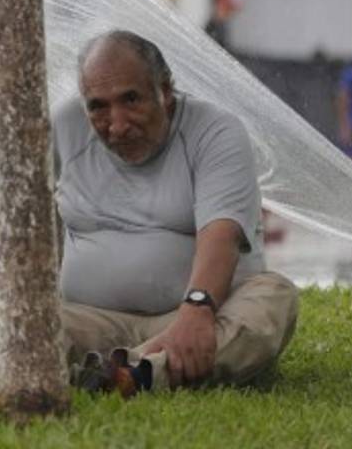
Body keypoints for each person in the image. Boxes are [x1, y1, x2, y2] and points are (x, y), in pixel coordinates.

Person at [47, 30, 298, 395]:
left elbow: (222, 234)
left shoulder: (215, 131)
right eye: (98, 107)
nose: (116, 125)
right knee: (25, 326)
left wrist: (197, 309)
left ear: (165, 91)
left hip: (204, 313)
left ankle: (131, 376)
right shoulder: (65, 126)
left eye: (131, 99)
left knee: (273, 299)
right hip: (93, 318)